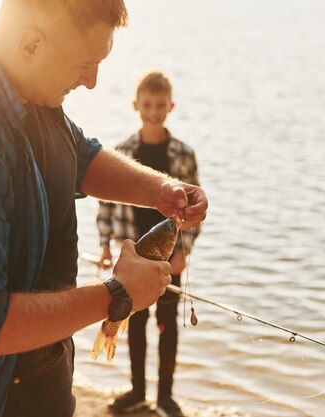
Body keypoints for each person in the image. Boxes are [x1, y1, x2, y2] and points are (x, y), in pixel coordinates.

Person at [0, 1, 208, 417]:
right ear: (31, 44)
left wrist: (161, 190)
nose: (92, 82)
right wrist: (117, 294)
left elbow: (76, 152)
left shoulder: (20, 77)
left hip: (45, 359)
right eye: (84, 64)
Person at [96, 71, 200, 417]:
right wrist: (106, 246)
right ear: (135, 106)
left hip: (170, 256)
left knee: (168, 323)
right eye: (146, 105)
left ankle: (166, 396)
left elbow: (194, 210)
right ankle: (137, 390)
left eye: (160, 105)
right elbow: (106, 205)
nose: (153, 112)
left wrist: (185, 250)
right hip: (133, 254)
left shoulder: (184, 154)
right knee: (134, 321)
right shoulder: (124, 152)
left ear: (170, 106)